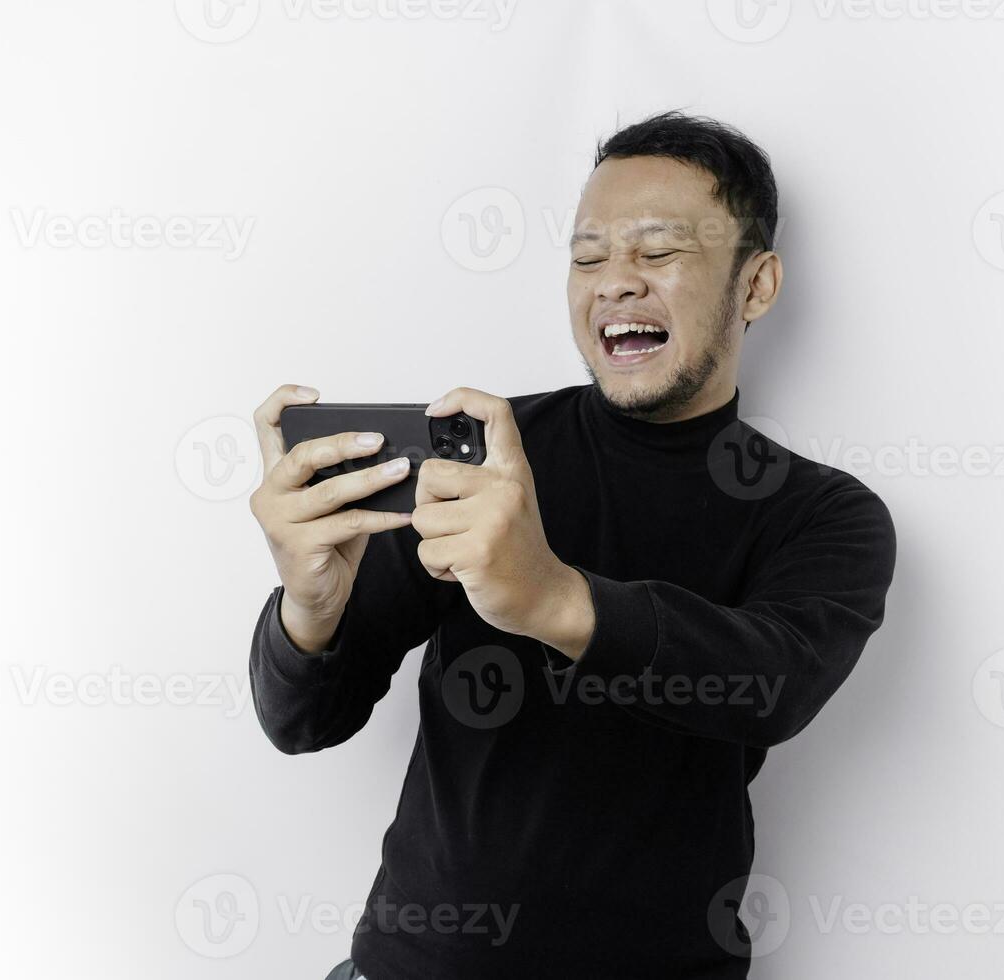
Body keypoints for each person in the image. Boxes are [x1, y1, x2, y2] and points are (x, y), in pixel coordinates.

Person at [247, 110, 897, 979]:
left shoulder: (825, 515)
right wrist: (312, 607)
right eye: (589, 258)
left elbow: (769, 686)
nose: (615, 284)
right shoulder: (482, 455)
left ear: (756, 286)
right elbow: (303, 722)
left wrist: (552, 598)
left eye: (659, 253)